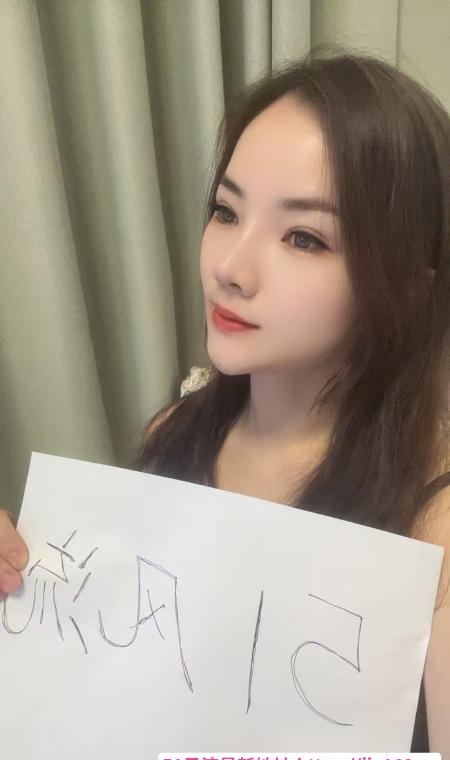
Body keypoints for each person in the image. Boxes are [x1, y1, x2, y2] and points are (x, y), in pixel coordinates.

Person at [0, 50, 449, 752]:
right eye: (226, 210)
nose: (231, 269)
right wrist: (22, 589)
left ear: (410, 286)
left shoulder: (435, 521)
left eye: (304, 237)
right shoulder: (178, 427)